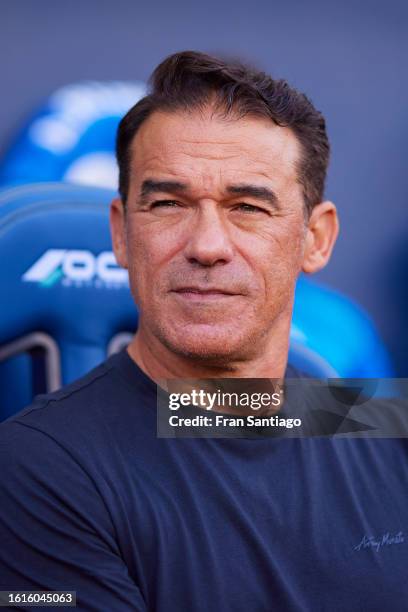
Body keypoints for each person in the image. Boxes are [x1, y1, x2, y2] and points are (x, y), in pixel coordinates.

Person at [0, 51, 406, 611]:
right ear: (121, 232)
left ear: (316, 239)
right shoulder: (33, 467)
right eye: (168, 203)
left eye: (248, 207)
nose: (207, 246)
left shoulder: (377, 418)